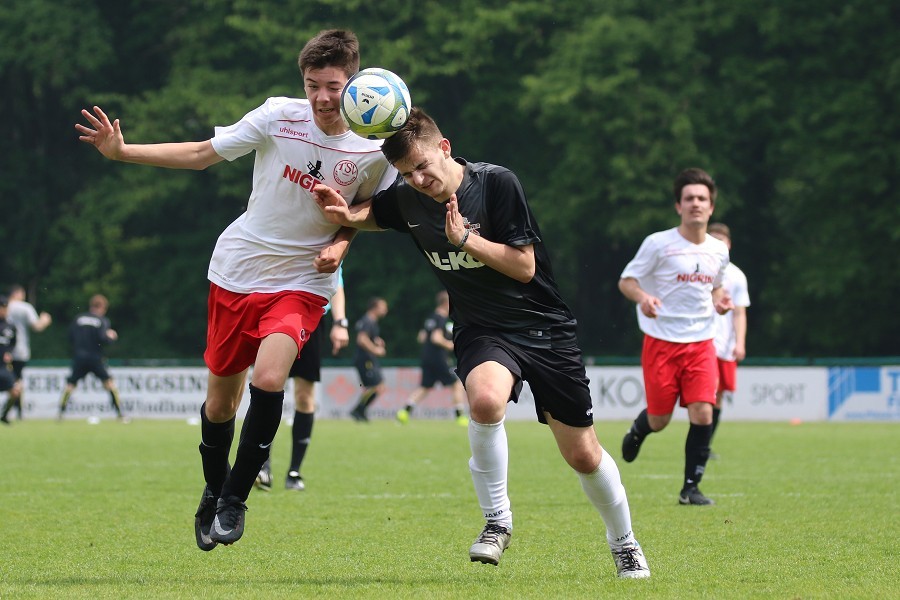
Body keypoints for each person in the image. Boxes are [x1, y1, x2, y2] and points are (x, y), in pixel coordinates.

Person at [74, 29, 396, 551]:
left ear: (353, 81)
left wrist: (341, 242)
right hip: (237, 270)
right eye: (313, 84)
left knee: (270, 378)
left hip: (301, 281)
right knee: (221, 404)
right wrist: (123, 151)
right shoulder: (276, 115)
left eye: (334, 86)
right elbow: (203, 153)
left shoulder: (375, 145)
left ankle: (235, 498)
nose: (322, 97)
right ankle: (212, 488)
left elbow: (371, 212)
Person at [313, 108, 650, 578]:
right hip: (482, 328)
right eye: (407, 174)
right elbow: (379, 214)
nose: (419, 179)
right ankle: (497, 522)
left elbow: (524, 267)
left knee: (582, 454)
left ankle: (624, 542)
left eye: (424, 166)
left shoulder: (496, 183)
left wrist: (465, 240)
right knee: (486, 402)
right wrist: (346, 216)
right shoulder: (409, 198)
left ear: (444, 147)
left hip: (544, 329)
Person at [617, 168, 734, 507]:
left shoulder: (718, 251)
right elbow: (627, 281)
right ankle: (638, 431)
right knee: (660, 418)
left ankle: (690, 488)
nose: (695, 204)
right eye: (689, 199)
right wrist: (644, 298)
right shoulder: (658, 244)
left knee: (703, 413)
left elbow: (716, 287)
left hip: (701, 342)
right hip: (662, 342)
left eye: (702, 199)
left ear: (711, 208)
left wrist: (721, 300)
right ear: (678, 206)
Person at [254, 267, 350, 492]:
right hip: (277, 315)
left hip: (314, 318)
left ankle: (294, 472)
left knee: (304, 397)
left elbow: (337, 281)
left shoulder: (327, 238)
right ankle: (261, 466)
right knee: (266, 388)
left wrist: (340, 323)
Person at [396, 290, 468, 426]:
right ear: (446, 303)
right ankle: (460, 416)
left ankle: (404, 412)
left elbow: (421, 337)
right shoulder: (440, 318)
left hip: (426, 356)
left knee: (425, 386)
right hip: (438, 358)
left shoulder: (430, 318)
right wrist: (451, 345)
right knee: (456, 384)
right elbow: (436, 338)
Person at [707, 223, 750, 449]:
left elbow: (740, 312)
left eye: (721, 242)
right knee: (708, 391)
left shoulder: (736, 276)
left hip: (726, 345)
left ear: (729, 245)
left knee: (718, 395)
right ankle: (701, 444)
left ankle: (707, 443)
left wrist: (740, 342)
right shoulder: (698, 270)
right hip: (702, 341)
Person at [58, 294, 125, 421]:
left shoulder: (78, 319)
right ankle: (120, 414)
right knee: (109, 383)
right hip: (95, 357)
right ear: (102, 307)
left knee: (70, 384)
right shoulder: (102, 320)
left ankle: (60, 413)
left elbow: (70, 336)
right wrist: (111, 337)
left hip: (79, 357)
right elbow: (102, 338)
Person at [1, 285, 51, 423]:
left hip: (4, 351)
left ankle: (11, 413)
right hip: (18, 352)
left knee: (14, 383)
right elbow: (37, 326)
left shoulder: (6, 307)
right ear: (19, 293)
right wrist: (45, 320)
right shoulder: (24, 307)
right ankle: (17, 412)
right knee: (17, 382)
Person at [349, 296, 388, 422]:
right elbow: (361, 339)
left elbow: (367, 337)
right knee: (375, 387)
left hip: (368, 359)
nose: (385, 310)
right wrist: (375, 349)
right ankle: (358, 410)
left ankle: (360, 411)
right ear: (374, 308)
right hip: (365, 359)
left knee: (376, 387)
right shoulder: (368, 321)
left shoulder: (370, 322)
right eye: (383, 307)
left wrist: (376, 341)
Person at [0, 297, 19, 423]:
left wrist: (9, 353)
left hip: (3, 366)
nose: (4, 311)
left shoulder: (10, 326)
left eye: (5, 308)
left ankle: (4, 415)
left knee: (15, 391)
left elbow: (13, 343)